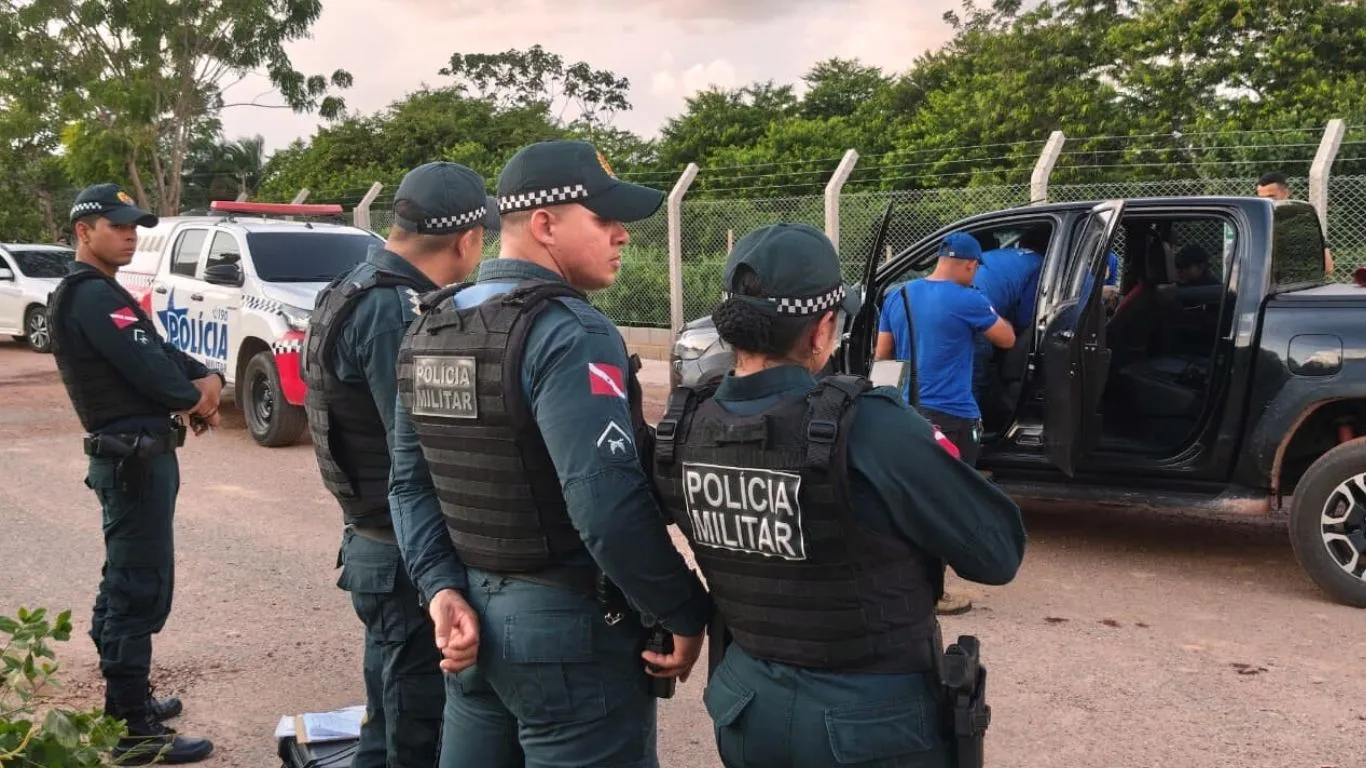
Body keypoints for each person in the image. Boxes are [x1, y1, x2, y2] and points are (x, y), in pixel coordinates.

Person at [387, 139, 712, 768]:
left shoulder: (430, 325)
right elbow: (605, 503)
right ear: (544, 224)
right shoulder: (571, 331)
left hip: (471, 626)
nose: (621, 236)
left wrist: (439, 590)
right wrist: (683, 608)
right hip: (568, 636)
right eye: (604, 219)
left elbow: (407, 485)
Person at [652, 222, 1026, 768]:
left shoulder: (682, 427)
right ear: (823, 329)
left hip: (746, 710)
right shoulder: (871, 425)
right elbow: (997, 553)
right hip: (870, 725)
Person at [301, 162, 498, 768]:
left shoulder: (352, 284)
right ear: (467, 240)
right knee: (415, 732)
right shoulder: (396, 309)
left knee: (390, 716)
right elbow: (417, 446)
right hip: (403, 552)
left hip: (377, 543)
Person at [47, 184, 219, 765]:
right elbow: (154, 371)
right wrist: (196, 396)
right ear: (83, 231)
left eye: (134, 226)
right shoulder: (91, 296)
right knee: (136, 585)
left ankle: (124, 700)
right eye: (116, 225)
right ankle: (132, 728)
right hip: (133, 461)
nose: (130, 235)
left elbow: (161, 351)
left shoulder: (104, 292)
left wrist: (204, 377)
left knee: (127, 577)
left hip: (136, 457)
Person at [1257, 170, 1335, 273]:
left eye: (1271, 197)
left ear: (1286, 193)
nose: (1267, 202)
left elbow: (1327, 266)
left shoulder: (1303, 223)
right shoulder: (1256, 223)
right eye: (1262, 199)